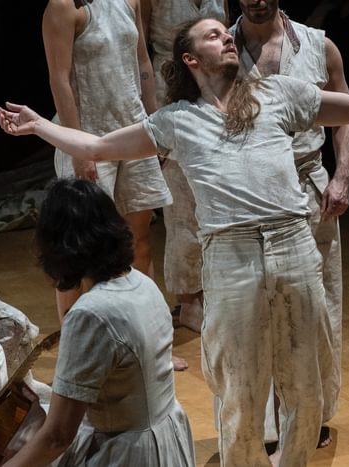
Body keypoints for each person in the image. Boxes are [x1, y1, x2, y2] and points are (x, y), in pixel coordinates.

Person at [0, 15, 349, 466]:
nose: (229, 39)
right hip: (231, 257)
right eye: (214, 37)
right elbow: (96, 146)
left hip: (292, 243)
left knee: (304, 380)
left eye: (226, 33)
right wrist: (39, 126)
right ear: (191, 60)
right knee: (238, 384)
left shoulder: (279, 93)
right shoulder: (177, 120)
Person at [0, 178, 195, 467]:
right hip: (165, 438)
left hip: (128, 454)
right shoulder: (142, 283)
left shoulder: (90, 314)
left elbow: (58, 436)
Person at [230, 0, 349, 450]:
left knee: (318, 308)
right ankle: (264, 423)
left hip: (309, 187)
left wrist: (341, 177)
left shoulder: (319, 47)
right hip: (249, 193)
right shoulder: (222, 49)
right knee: (255, 311)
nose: (257, 3)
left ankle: (312, 413)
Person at [43, 0, 186, 370]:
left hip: (132, 130)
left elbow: (142, 65)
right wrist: (77, 148)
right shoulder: (63, 7)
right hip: (87, 134)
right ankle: (78, 352)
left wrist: (157, 128)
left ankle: (152, 342)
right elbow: (59, 78)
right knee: (76, 251)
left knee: (138, 240)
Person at [140, 0, 229, 333]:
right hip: (171, 96)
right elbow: (139, 53)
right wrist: (153, 116)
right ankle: (189, 299)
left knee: (214, 200)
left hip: (216, 98)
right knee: (180, 208)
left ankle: (216, 290)